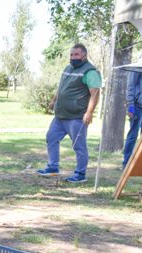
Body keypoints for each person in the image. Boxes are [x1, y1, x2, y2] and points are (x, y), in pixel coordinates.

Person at [37, 43, 101, 183]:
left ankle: (80, 174)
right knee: (51, 138)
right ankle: (53, 167)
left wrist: (89, 112)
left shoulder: (90, 71)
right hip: (60, 115)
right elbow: (61, 87)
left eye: (76, 54)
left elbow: (95, 94)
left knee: (79, 146)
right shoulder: (68, 68)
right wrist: (54, 100)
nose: (73, 57)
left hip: (77, 117)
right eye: (71, 55)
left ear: (84, 55)